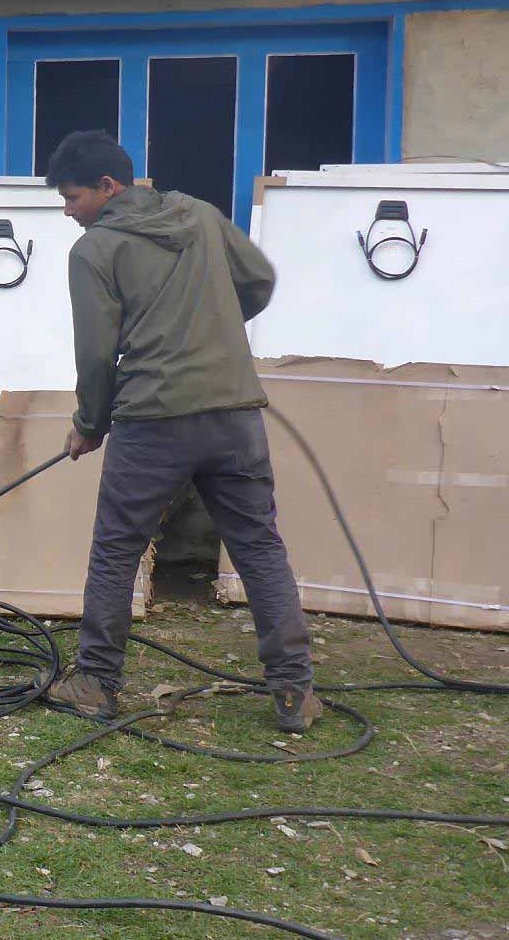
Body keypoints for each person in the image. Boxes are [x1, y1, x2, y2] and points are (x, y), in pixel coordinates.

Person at [41, 130, 321, 733]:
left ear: (107, 187)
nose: (68, 211)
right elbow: (259, 280)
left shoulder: (94, 251)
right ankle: (294, 689)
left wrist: (89, 425)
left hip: (153, 420)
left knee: (117, 549)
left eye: (72, 197)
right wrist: (208, 326)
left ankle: (95, 683)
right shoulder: (199, 214)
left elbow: (96, 355)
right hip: (234, 415)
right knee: (258, 546)